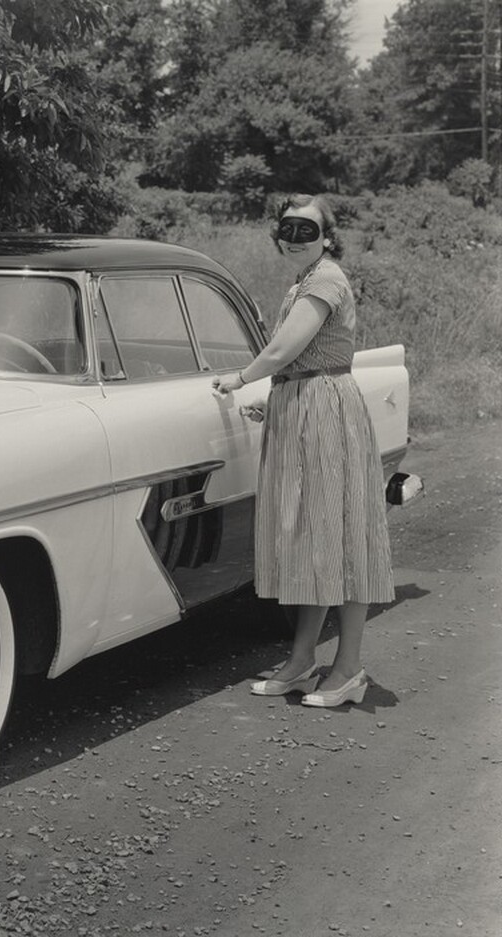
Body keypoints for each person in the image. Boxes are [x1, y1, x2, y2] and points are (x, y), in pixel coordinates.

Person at [211, 193, 394, 708]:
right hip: (301, 406)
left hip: (327, 409)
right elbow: (296, 361)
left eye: (306, 230)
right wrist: (276, 401)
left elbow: (284, 349)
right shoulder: (303, 282)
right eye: (287, 230)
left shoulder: (326, 280)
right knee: (309, 537)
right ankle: (301, 661)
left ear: (327, 238)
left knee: (342, 535)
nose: (294, 239)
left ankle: (349, 668)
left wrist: (240, 380)